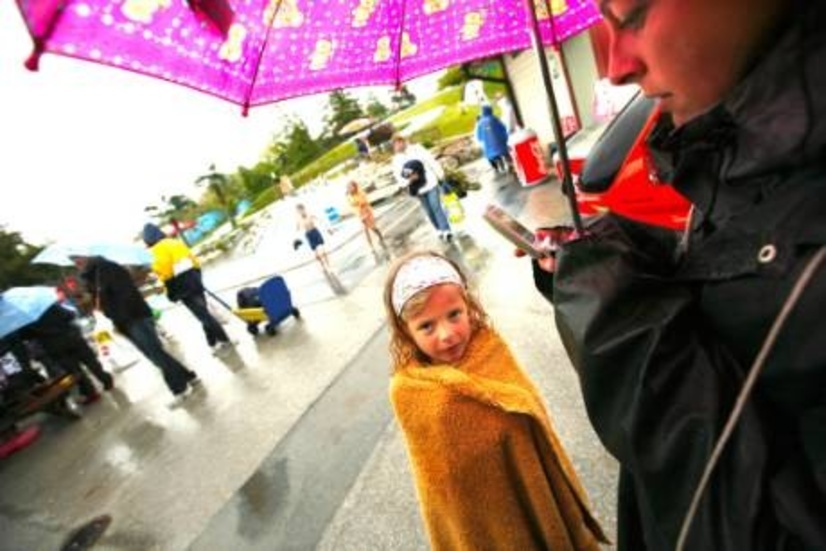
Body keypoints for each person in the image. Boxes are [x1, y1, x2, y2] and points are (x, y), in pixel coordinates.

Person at [530, 1, 826, 549]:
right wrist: (637, 255)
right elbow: (749, 274)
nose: (614, 66)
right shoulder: (734, 156)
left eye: (633, 14)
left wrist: (616, 326)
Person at [384, 251, 607, 551]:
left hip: (535, 492)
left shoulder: (490, 349)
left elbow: (531, 417)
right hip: (481, 526)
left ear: (469, 305)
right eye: (426, 326)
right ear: (406, 333)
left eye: (454, 314)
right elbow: (439, 487)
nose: (447, 334)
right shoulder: (409, 392)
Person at [72, 254, 201, 403]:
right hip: (122, 321)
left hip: (135, 317)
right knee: (154, 353)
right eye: (74, 260)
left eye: (79, 258)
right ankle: (188, 376)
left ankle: (179, 389)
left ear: (88, 256)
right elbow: (102, 300)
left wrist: (113, 309)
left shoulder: (109, 268)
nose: (77, 263)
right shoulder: (91, 278)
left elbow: (126, 294)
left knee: (155, 354)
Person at [142, 223, 233, 353]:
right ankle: (212, 342)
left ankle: (224, 340)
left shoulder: (155, 251)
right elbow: (193, 260)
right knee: (203, 312)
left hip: (181, 287)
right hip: (194, 279)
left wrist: (157, 276)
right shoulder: (174, 242)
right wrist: (196, 275)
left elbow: (165, 272)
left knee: (203, 315)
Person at [20, 303, 114, 404]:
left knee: (74, 370)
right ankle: (106, 380)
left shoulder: (26, 320)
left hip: (55, 347)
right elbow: (70, 315)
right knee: (90, 360)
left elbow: (25, 336)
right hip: (72, 337)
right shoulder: (49, 306)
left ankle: (90, 393)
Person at [391, 134, 453, 241]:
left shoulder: (417, 149)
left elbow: (430, 161)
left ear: (404, 141)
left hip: (430, 182)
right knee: (429, 210)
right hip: (417, 188)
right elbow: (398, 176)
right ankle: (438, 229)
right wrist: (407, 181)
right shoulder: (396, 160)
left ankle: (446, 230)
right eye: (396, 143)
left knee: (436, 206)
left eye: (400, 141)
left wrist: (440, 176)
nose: (399, 145)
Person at [345, 180, 387, 255]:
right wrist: (357, 213)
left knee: (372, 227)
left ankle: (380, 236)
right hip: (359, 214)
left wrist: (364, 213)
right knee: (365, 231)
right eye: (348, 187)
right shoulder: (349, 196)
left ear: (354, 187)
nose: (349, 189)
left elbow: (363, 202)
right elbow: (351, 206)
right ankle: (371, 247)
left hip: (367, 212)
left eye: (350, 187)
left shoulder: (361, 193)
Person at [295, 203, 333, 272]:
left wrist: (328, 229)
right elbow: (297, 230)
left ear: (304, 209)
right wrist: (297, 242)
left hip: (315, 231)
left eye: (302, 210)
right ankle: (323, 266)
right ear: (297, 212)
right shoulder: (298, 220)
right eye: (299, 211)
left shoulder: (310, 214)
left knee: (322, 250)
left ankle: (328, 266)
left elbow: (320, 220)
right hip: (308, 234)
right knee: (316, 253)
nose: (301, 212)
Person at [475, 104, 512, 173]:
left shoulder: (480, 123)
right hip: (500, 142)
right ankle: (510, 164)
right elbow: (503, 127)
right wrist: (505, 136)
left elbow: (479, 136)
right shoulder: (494, 118)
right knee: (505, 152)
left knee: (495, 156)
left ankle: (501, 166)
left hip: (489, 145)